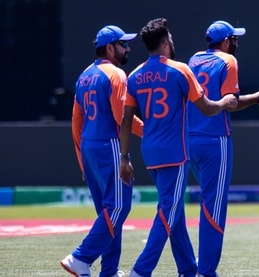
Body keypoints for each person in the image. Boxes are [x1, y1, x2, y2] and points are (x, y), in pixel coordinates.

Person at [118, 18, 237, 277]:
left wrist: (124, 157)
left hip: (148, 152)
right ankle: (141, 270)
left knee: (173, 209)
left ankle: (187, 268)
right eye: (169, 37)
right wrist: (225, 102)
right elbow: (205, 107)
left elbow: (126, 120)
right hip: (175, 152)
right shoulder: (180, 70)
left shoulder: (135, 75)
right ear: (164, 42)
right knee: (168, 211)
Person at [186, 20, 259, 277]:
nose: (237, 43)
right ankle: (205, 271)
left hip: (189, 138)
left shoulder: (193, 59)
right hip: (215, 138)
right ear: (227, 41)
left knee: (201, 202)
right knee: (214, 205)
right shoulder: (228, 61)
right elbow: (230, 103)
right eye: (235, 39)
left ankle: (194, 262)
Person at [61, 25, 144, 277]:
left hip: (89, 146)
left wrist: (82, 161)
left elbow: (76, 122)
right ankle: (80, 257)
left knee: (108, 212)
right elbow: (122, 117)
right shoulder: (116, 74)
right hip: (109, 145)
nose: (128, 48)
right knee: (118, 208)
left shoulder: (84, 76)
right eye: (123, 44)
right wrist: (151, 131)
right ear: (110, 47)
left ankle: (108, 271)